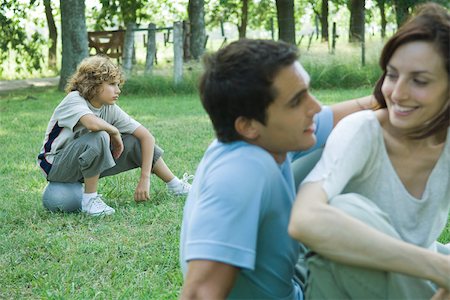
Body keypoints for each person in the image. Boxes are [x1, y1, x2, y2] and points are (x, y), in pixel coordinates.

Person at [179, 38, 375, 299]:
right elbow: (199, 291)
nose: (315, 107)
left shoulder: (264, 139)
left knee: (361, 130)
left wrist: (398, 97)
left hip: (296, 275)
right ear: (248, 125)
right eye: (297, 101)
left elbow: (353, 114)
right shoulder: (243, 169)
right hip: (305, 290)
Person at [288, 3, 450, 299]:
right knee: (346, 210)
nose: (397, 93)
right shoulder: (362, 131)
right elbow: (304, 218)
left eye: (419, 80)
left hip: (415, 285)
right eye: (391, 74)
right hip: (336, 282)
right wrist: (439, 268)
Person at [37, 55, 192, 216]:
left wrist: (144, 178)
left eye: (118, 84)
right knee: (101, 135)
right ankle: (90, 200)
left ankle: (175, 185)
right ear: (93, 85)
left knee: (134, 141)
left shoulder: (109, 107)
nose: (118, 90)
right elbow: (92, 124)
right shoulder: (74, 100)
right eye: (112, 84)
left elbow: (147, 137)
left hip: (80, 164)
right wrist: (115, 132)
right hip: (55, 165)